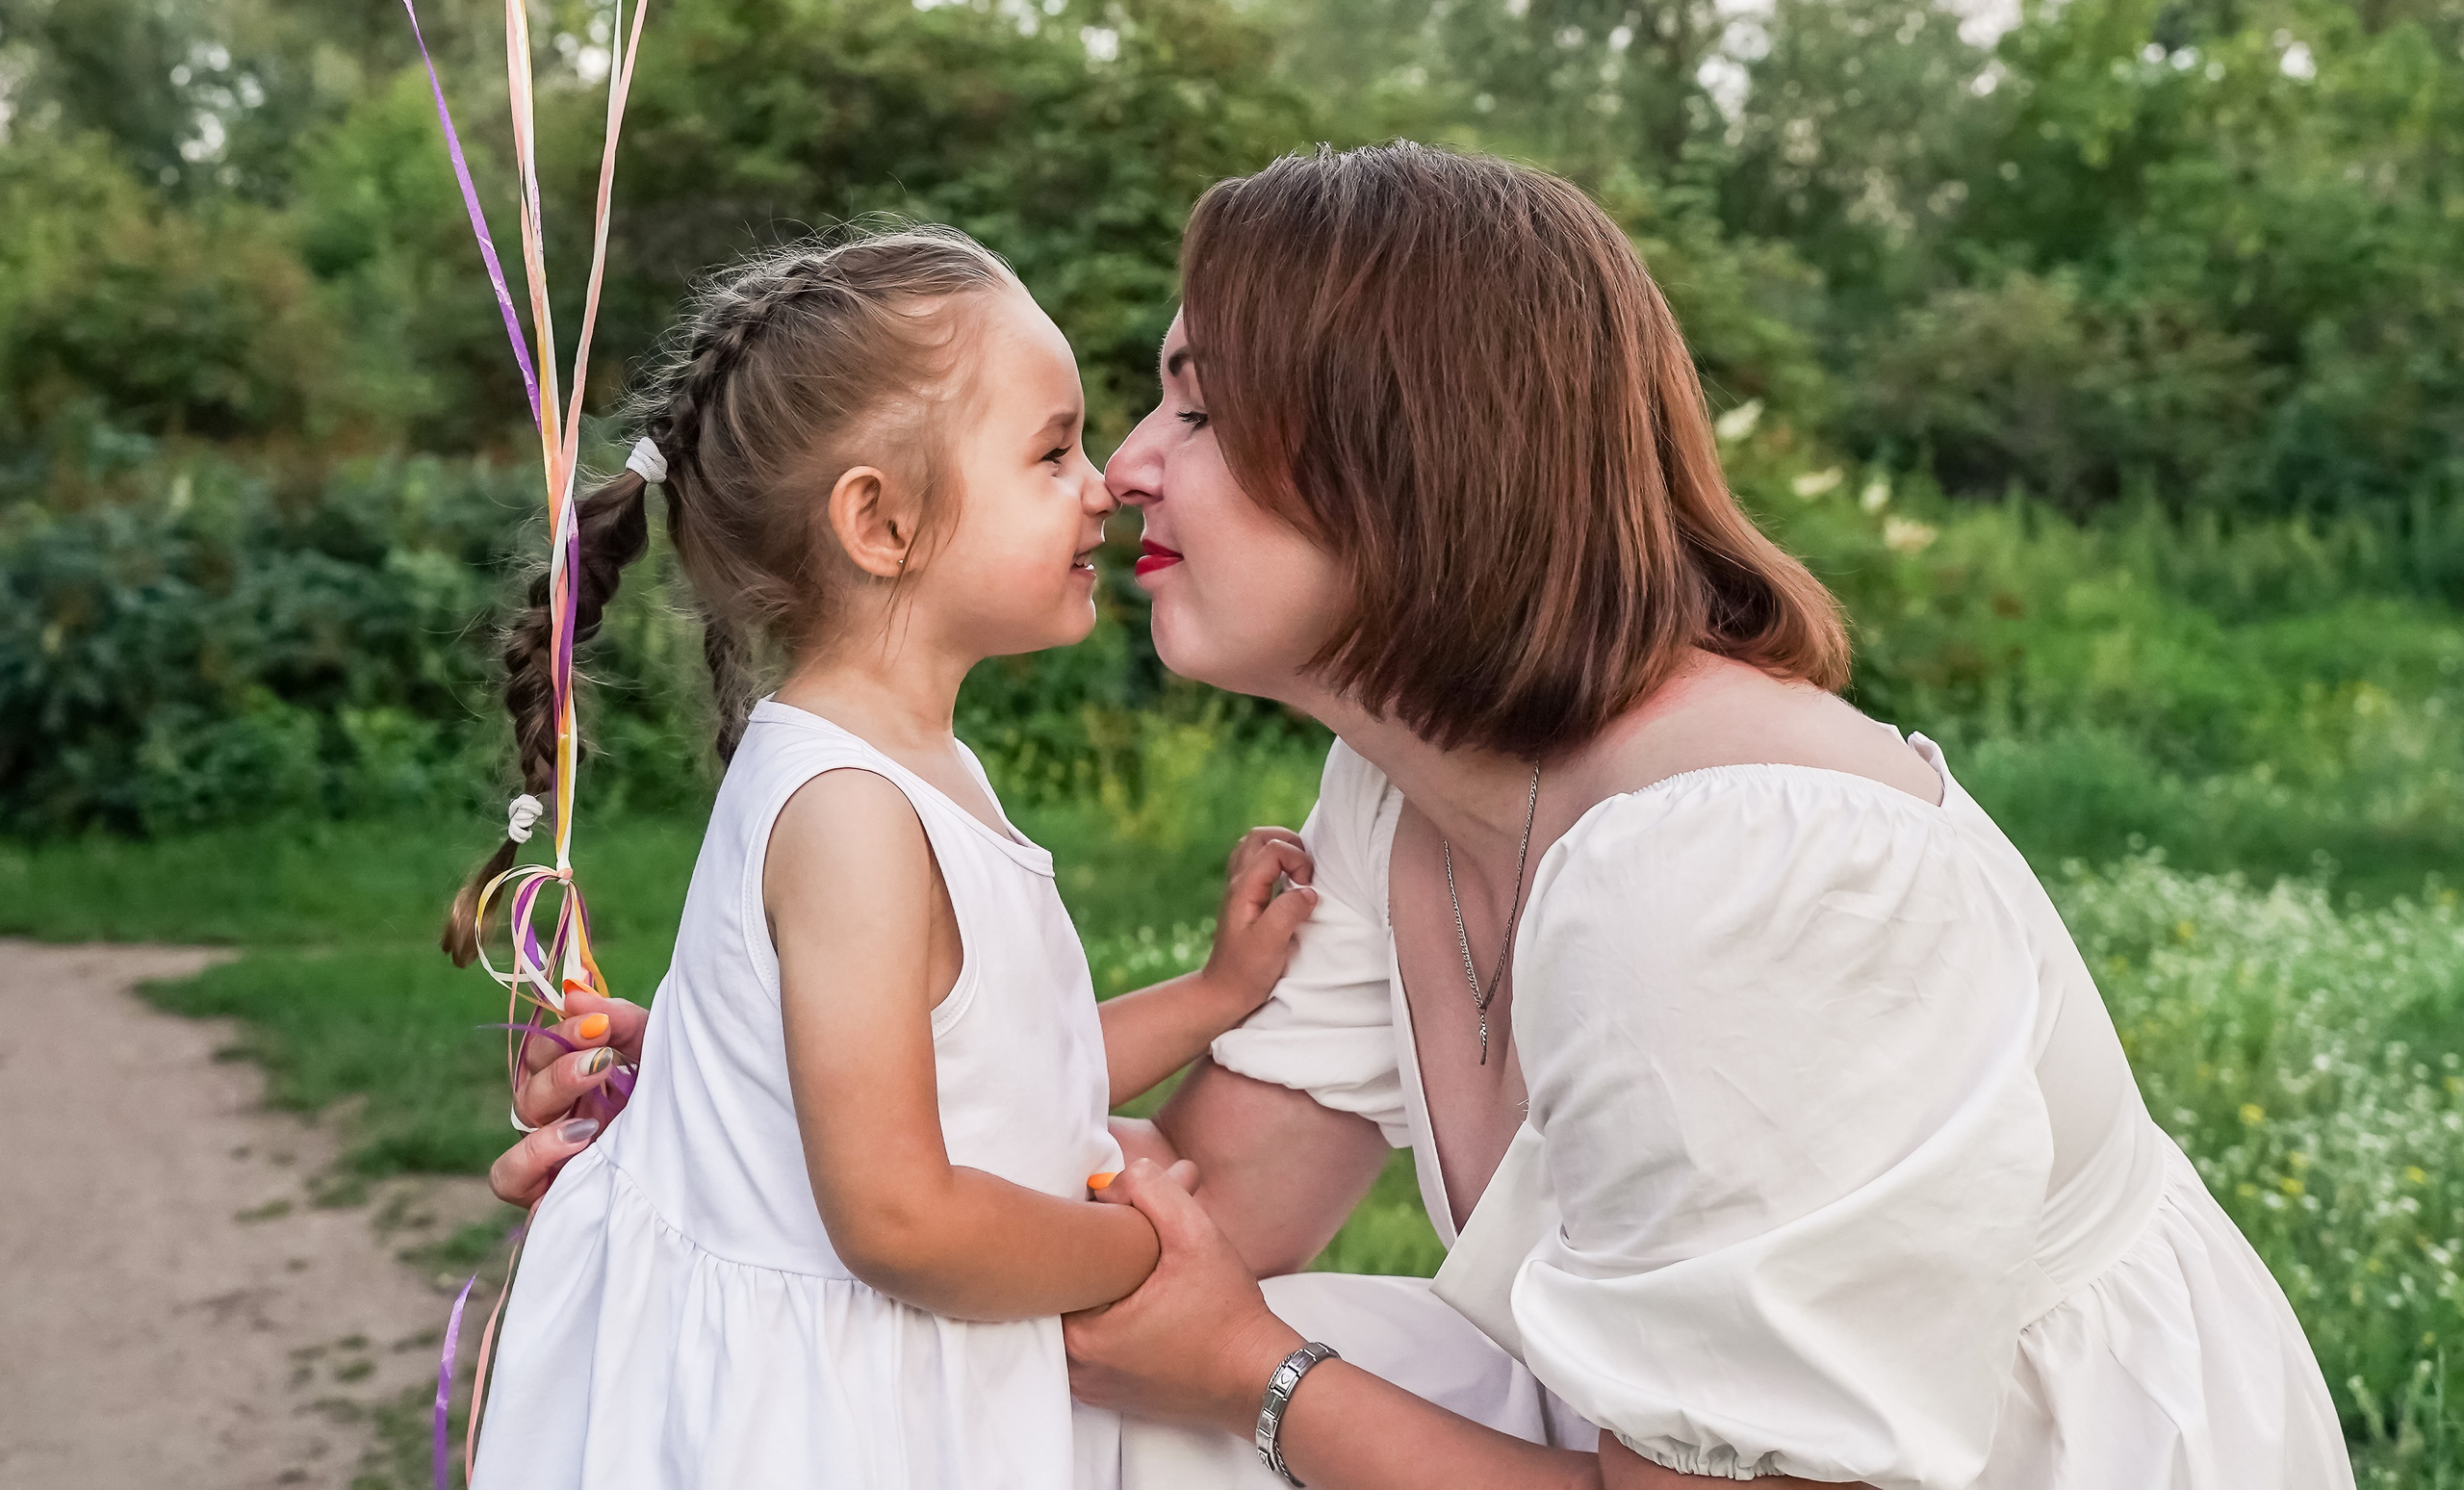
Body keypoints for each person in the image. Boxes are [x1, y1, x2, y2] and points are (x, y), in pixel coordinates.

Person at [501, 148, 2353, 1489]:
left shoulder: (1741, 872)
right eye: (1123, 412)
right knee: (1034, 1411)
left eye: (1195, 411)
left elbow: (1215, 1311)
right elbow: (1195, 1209)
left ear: (1406, 468)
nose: (1132, 468)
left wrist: (1263, 1374)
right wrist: (758, 1124)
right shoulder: (1405, 780)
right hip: (1664, 1447)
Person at [460, 226, 1320, 1490]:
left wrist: (1210, 997)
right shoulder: (853, 814)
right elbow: (899, 1220)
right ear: (880, 521)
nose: (1104, 483)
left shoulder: (910, 765)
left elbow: (1001, 1061)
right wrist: (1149, 1255)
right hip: (827, 1422)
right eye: (1052, 450)